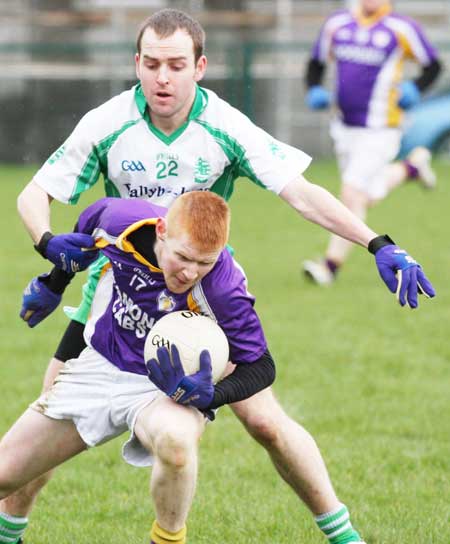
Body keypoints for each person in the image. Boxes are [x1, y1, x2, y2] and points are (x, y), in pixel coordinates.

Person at [7, 8, 434, 544]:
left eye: (177, 65)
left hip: (201, 301)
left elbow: (301, 194)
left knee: (266, 424)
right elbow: (37, 195)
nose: (164, 77)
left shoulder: (225, 127)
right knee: (46, 421)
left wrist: (376, 242)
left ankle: (344, 536)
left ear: (200, 67)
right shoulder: (107, 122)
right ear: (136, 64)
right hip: (114, 298)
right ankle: (10, 532)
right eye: (153, 64)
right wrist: (49, 254)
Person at [1, 191, 280, 544]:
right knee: (4, 476)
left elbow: (262, 365)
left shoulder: (223, 287)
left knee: (177, 445)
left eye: (205, 262)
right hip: (99, 367)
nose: (191, 272)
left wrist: (213, 395)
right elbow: (86, 234)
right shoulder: (120, 221)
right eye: (183, 257)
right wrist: (54, 284)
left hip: (163, 391)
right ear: (161, 230)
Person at [302, 0, 442, 285]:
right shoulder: (337, 24)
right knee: (367, 196)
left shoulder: (401, 28)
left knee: (351, 193)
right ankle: (412, 168)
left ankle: (330, 266)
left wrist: (415, 88)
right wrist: (314, 87)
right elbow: (316, 61)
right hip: (344, 127)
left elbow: (434, 66)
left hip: (382, 128)